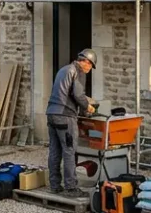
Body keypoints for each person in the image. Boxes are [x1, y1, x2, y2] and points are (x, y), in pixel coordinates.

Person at [46, 49, 97, 197]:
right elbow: (78, 94)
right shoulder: (78, 71)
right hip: (65, 116)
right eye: (90, 66)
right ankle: (71, 188)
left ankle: (55, 185)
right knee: (69, 151)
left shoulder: (63, 69)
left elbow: (65, 92)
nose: (89, 70)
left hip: (51, 113)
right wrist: (88, 107)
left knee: (55, 151)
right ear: (86, 62)